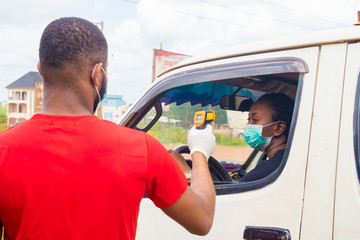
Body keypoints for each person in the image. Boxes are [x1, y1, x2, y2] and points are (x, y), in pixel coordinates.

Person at [0, 17, 216, 240]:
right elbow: (202, 219)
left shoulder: (3, 149)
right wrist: (199, 152)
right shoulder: (142, 149)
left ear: (41, 71)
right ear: (97, 74)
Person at [231, 93, 294, 182]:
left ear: (278, 128)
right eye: (248, 119)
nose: (248, 125)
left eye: (255, 120)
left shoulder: (267, 171)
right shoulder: (290, 159)